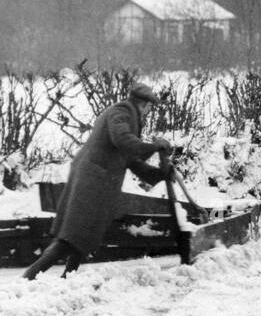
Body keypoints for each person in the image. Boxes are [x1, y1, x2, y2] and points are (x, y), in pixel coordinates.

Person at [23, 82, 173, 280]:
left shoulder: (128, 116)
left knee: (84, 237)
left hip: (99, 182)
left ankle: (68, 280)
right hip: (92, 181)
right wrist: (153, 147)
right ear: (143, 104)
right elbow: (123, 140)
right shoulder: (121, 112)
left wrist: (159, 174)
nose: (149, 111)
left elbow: (128, 158)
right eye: (150, 107)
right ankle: (28, 279)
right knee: (71, 237)